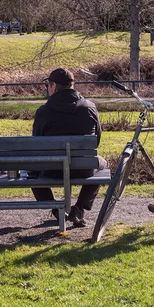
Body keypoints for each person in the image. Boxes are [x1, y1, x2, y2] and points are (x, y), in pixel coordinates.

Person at [30, 68, 106, 227]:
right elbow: (96, 140)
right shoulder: (89, 107)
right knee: (102, 164)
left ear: (54, 87)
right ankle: (79, 209)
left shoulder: (43, 111)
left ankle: (56, 210)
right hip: (82, 168)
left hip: (52, 169)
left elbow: (36, 144)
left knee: (31, 170)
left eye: (48, 85)